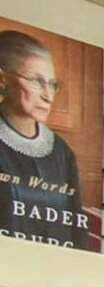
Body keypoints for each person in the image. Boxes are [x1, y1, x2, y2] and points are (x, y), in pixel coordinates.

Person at [0, 31, 92, 249]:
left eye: (52, 84)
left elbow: (75, 227)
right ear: (3, 80)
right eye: (36, 81)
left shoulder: (61, 151)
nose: (48, 96)